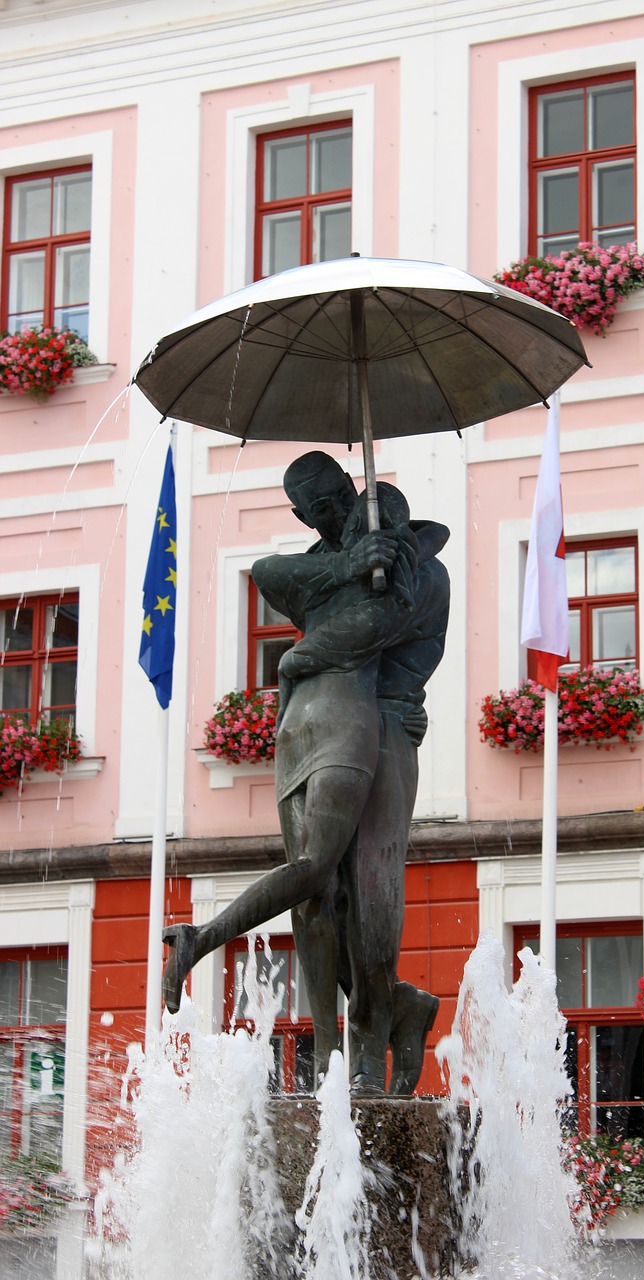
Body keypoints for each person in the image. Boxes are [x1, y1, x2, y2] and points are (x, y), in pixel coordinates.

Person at [163, 453, 449, 1095]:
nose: (329, 514)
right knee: (318, 902)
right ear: (301, 513)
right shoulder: (332, 566)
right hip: (314, 725)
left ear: (353, 490)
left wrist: (296, 656)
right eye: (314, 508)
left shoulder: (421, 570)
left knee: (372, 898)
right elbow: (268, 573)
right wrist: (345, 568)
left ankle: (372, 1048)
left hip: (387, 726)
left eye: (334, 499)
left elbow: (367, 631)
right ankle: (334, 1057)